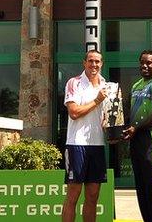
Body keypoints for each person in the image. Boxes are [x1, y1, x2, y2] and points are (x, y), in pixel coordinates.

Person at [121, 50, 152, 222]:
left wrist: (137, 128)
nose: (145, 66)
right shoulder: (136, 86)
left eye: (149, 63)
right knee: (142, 187)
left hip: (151, 139)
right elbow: (131, 114)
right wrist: (124, 128)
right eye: (142, 62)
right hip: (137, 140)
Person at [62, 49, 108, 222]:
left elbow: (108, 118)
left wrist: (111, 126)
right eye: (90, 61)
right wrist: (97, 100)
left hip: (97, 145)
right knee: (73, 195)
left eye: (97, 61)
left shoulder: (106, 85)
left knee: (93, 196)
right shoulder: (74, 83)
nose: (94, 64)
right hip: (76, 144)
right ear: (84, 63)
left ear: (101, 64)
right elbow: (73, 112)